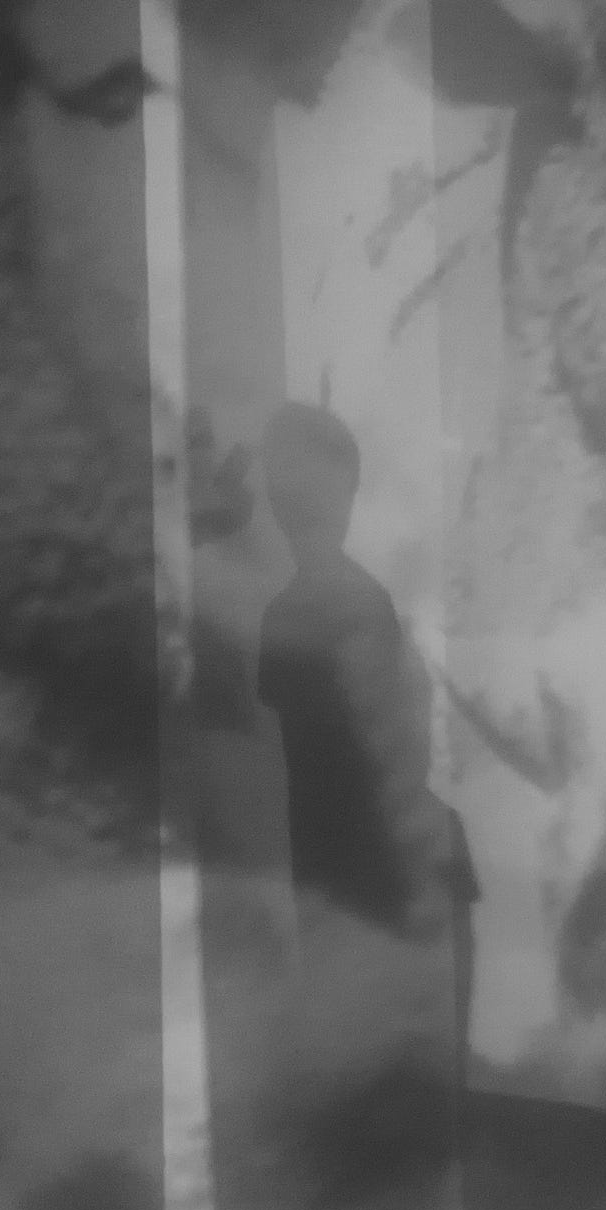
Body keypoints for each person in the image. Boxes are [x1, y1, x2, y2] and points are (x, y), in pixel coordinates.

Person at [256, 403, 476, 1043]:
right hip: (370, 861)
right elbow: (388, 745)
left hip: (328, 860)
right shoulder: (348, 601)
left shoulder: (293, 609)